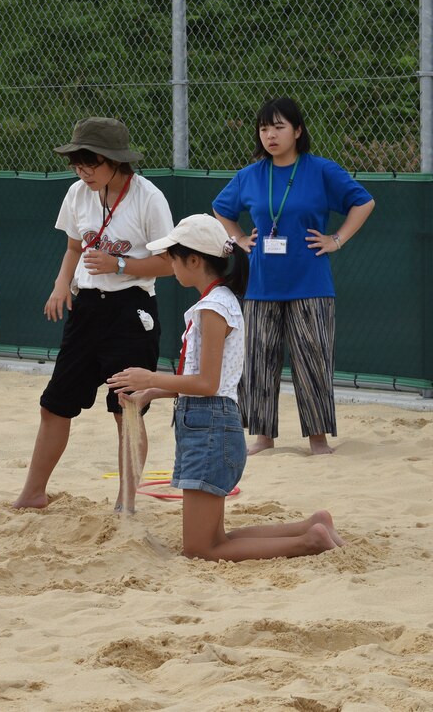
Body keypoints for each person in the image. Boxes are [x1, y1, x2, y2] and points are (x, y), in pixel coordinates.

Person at [106, 215, 343, 560]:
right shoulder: (218, 301)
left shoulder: (213, 307)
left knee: (201, 549)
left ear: (194, 260)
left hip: (210, 428)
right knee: (214, 537)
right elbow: (207, 380)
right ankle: (310, 526)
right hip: (210, 424)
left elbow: (207, 383)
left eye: (173, 257)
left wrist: (151, 377)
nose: (170, 264)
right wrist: (153, 391)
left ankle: (310, 541)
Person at [12, 117, 174, 513]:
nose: (83, 171)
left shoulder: (148, 198)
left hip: (131, 311)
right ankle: (32, 493)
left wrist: (120, 266)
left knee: (127, 408)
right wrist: (60, 284)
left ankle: (126, 504)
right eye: (77, 162)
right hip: (86, 308)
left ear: (116, 161)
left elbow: (170, 262)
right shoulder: (78, 193)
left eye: (91, 162)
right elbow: (73, 247)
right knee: (55, 403)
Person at [212, 97, 375, 455]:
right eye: (264, 128)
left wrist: (337, 239)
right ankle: (262, 437)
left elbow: (363, 202)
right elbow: (221, 209)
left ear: (298, 131)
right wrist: (239, 238)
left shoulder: (320, 170)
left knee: (312, 359)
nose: (270, 135)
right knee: (257, 361)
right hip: (261, 286)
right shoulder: (250, 175)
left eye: (279, 127)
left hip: (311, 284)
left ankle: (318, 439)